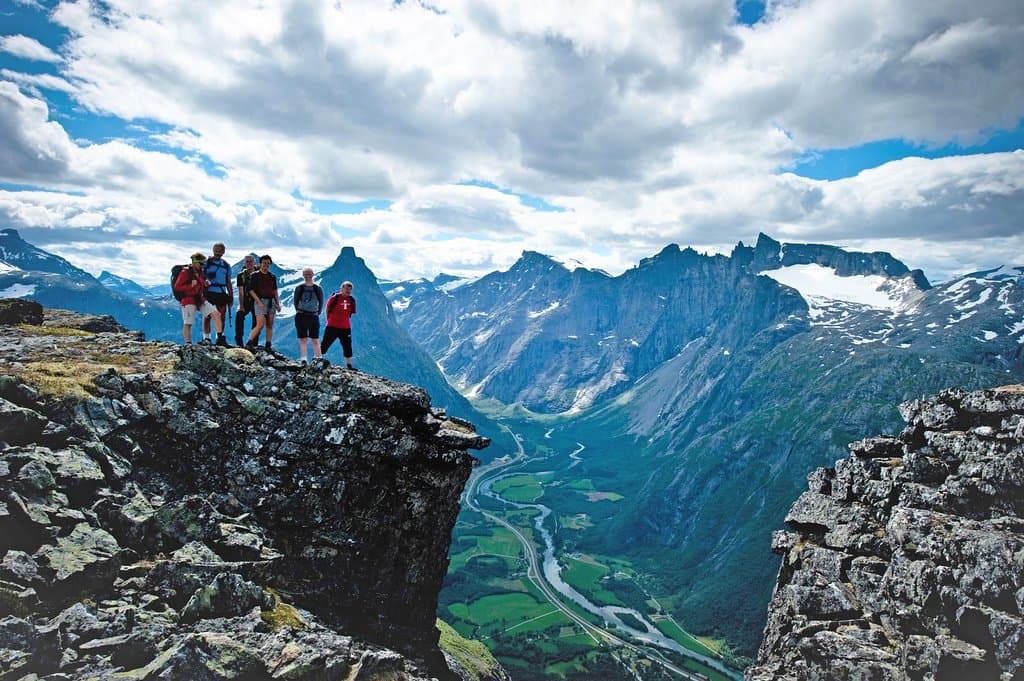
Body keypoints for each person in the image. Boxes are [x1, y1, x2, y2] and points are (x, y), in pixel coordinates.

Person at [174, 252, 228, 346]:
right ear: (195, 262)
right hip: (188, 300)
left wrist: (205, 284)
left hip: (200, 299)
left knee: (216, 314)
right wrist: (190, 285)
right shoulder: (185, 272)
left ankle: (220, 339)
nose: (203, 266)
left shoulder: (200, 273)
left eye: (203, 264)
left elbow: (200, 284)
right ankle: (188, 344)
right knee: (188, 323)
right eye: (201, 263)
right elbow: (177, 287)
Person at [245, 254, 281, 350]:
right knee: (260, 324)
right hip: (260, 301)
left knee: (269, 324)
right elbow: (250, 290)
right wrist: (258, 302)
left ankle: (268, 345)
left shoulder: (272, 277)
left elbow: (275, 291)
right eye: (264, 263)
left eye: (268, 263)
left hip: (271, 301)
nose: (266, 265)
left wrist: (277, 303)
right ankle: (249, 342)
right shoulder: (255, 275)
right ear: (260, 264)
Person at [202, 242, 233, 345]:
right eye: (216, 251)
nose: (218, 253)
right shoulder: (206, 263)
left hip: (221, 292)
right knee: (207, 316)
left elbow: (228, 282)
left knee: (222, 315)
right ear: (213, 250)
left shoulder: (226, 265)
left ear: (224, 252)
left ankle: (219, 337)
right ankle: (207, 338)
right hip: (209, 292)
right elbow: (200, 276)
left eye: (220, 251)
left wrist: (231, 297)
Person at [322, 280, 357, 370]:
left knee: (347, 346)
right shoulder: (334, 298)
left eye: (349, 290)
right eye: (346, 290)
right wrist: (328, 321)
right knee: (325, 344)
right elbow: (327, 309)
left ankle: (349, 366)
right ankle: (316, 359)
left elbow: (351, 312)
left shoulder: (351, 300)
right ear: (341, 288)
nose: (348, 292)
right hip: (332, 326)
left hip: (345, 327)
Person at [293, 268, 324, 363]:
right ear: (303, 275)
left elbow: (321, 302)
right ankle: (304, 359)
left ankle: (318, 358)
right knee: (303, 338)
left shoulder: (318, 288)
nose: (307, 276)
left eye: (309, 274)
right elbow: (296, 301)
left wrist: (317, 313)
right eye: (306, 274)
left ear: (313, 274)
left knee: (315, 338)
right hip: (302, 315)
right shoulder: (299, 288)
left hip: (313, 316)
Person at [234, 254, 259, 347]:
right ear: (244, 263)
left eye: (251, 261)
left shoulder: (259, 273)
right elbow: (241, 292)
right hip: (246, 300)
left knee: (256, 322)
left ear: (254, 262)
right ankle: (239, 343)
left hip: (257, 301)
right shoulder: (241, 275)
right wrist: (241, 306)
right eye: (247, 261)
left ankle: (253, 344)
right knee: (239, 316)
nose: (249, 263)